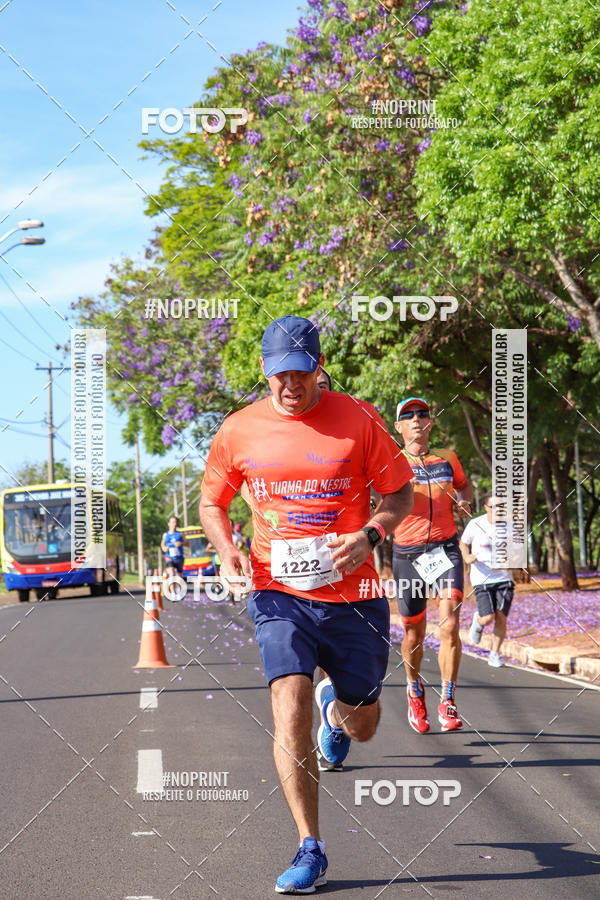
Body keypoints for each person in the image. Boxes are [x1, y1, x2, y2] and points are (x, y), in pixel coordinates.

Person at [200, 315, 413, 895]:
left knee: (364, 722)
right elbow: (212, 503)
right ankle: (309, 846)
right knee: (287, 702)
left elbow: (399, 493)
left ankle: (337, 714)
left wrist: (370, 534)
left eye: (301, 372)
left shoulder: (359, 419)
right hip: (278, 593)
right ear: (264, 371)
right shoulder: (239, 429)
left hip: (354, 595)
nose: (290, 385)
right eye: (280, 374)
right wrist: (226, 550)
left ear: (319, 367)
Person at [391, 397, 474, 734]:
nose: (417, 419)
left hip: (445, 549)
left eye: (422, 414)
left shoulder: (448, 458)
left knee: (450, 624)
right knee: (414, 632)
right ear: (398, 426)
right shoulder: (391, 462)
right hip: (407, 555)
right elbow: (374, 498)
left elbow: (463, 486)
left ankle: (448, 699)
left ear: (431, 422)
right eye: (408, 415)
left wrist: (464, 500)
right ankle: (414, 689)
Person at [460, 493, 515, 667]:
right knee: (488, 617)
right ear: (486, 508)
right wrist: (467, 556)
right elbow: (463, 543)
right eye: (493, 507)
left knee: (501, 617)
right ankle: (478, 621)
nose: (497, 510)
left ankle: (495, 654)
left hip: (504, 577)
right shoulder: (475, 524)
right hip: (481, 578)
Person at [160, 516, 187, 599]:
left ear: (177, 524)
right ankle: (172, 592)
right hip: (169, 557)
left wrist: (181, 543)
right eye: (172, 522)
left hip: (179, 557)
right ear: (169, 524)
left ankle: (179, 590)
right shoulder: (165, 535)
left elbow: (187, 543)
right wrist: (164, 548)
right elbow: (162, 545)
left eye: (175, 522)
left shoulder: (180, 534)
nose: (174, 524)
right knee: (171, 573)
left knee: (179, 576)